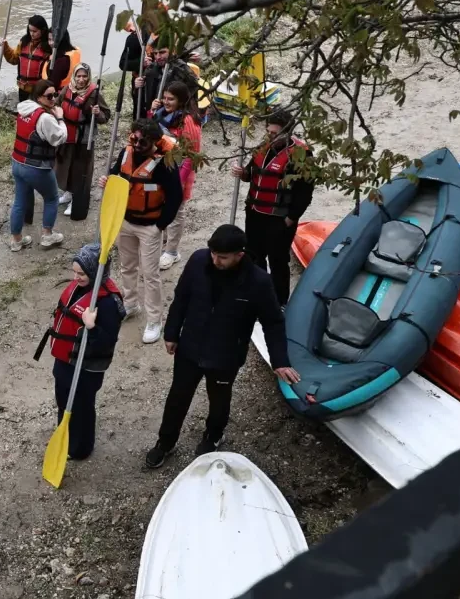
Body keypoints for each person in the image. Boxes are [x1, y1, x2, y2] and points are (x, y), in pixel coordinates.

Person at [145, 225, 296, 468]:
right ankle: (165, 442)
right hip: (190, 348)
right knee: (177, 398)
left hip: (226, 355)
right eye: (213, 253)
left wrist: (280, 361)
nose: (215, 260)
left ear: (240, 254)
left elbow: (273, 323)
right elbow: (181, 297)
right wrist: (172, 333)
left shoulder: (259, 282)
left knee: (219, 400)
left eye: (223, 257)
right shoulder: (197, 262)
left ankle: (213, 436)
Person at [99, 119, 183, 344]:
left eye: (142, 141)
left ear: (155, 142)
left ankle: (155, 320)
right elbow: (117, 175)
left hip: (150, 227)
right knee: (127, 266)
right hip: (125, 222)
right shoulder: (125, 153)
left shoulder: (165, 164)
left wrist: (160, 226)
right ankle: (130, 304)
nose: (136, 144)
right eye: (133, 138)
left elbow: (176, 197)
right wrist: (107, 181)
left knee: (150, 274)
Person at [39, 244, 125, 460]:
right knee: (63, 400)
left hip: (86, 368)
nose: (76, 277)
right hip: (65, 362)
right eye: (74, 272)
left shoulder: (107, 304)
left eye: (82, 274)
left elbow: (106, 342)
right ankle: (64, 436)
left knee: (82, 407)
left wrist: (91, 326)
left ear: (95, 273)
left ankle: (81, 447)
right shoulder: (78, 289)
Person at [231, 109, 315, 306]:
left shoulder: (302, 156)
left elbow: (305, 193)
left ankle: (279, 302)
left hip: (279, 218)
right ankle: (258, 295)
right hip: (255, 214)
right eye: (268, 131)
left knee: (278, 262)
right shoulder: (263, 147)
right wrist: (242, 173)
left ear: (288, 132)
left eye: (275, 133)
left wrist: (291, 218)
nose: (270, 135)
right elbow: (252, 174)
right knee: (254, 256)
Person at [10, 80, 68, 252]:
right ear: (38, 97)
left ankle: (16, 240)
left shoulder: (23, 108)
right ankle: (47, 235)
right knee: (51, 198)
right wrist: (60, 118)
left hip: (17, 163)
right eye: (49, 96)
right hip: (36, 167)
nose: (54, 99)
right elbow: (59, 137)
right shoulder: (45, 118)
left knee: (19, 201)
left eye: (55, 94)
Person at [155, 81, 203, 270]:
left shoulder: (188, 121)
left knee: (176, 212)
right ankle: (164, 241)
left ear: (181, 100)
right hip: (163, 168)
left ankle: (172, 252)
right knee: (161, 207)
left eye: (171, 99)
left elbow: (192, 155)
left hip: (180, 172)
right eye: (165, 98)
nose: (166, 102)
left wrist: (179, 182)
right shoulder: (163, 115)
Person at [54, 63, 110, 217]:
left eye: (84, 76)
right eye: (78, 76)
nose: (81, 79)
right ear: (74, 76)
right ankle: (68, 192)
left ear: (88, 77)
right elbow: (57, 104)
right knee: (66, 165)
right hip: (67, 135)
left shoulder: (94, 94)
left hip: (84, 137)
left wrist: (97, 113)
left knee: (80, 169)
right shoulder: (67, 88)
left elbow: (106, 117)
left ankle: (77, 200)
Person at [1, 14, 51, 98]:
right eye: (30, 30)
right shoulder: (24, 42)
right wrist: (5, 47)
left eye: (35, 31)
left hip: (39, 89)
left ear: (43, 31)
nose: (32, 34)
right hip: (23, 88)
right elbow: (13, 59)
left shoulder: (48, 47)